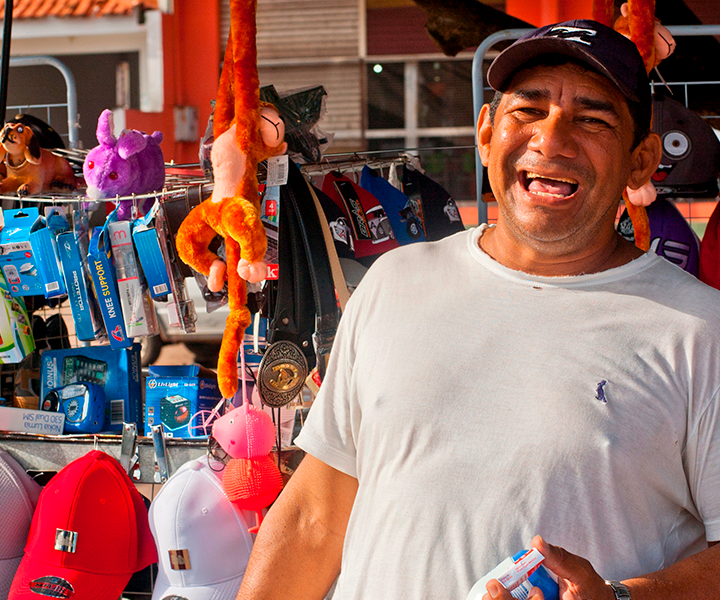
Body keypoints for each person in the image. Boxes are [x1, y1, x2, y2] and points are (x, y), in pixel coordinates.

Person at [236, 19, 720, 600]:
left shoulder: (699, 331)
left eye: (592, 119)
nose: (551, 138)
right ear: (487, 133)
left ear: (641, 163)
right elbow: (314, 519)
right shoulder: (395, 284)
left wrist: (624, 598)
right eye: (527, 110)